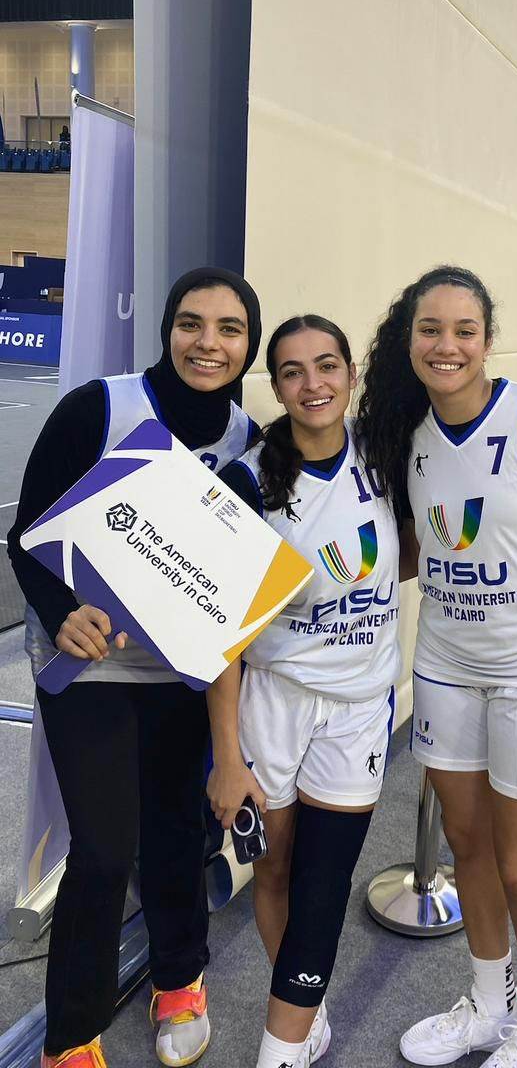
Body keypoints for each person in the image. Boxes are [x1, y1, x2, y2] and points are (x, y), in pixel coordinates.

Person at [7, 267, 261, 1068]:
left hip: (182, 674)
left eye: (229, 329)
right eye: (191, 323)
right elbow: (25, 535)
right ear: (167, 328)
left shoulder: (248, 441)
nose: (208, 343)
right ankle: (71, 1033)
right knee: (106, 849)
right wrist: (61, 612)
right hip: (91, 666)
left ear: (249, 344)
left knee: (177, 831)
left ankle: (180, 978)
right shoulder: (101, 407)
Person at [355, 266, 517, 1068]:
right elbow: (407, 552)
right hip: (446, 665)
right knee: (468, 847)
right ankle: (491, 1003)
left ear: (488, 339)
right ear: (409, 338)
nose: (447, 345)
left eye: (464, 330)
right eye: (431, 330)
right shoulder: (404, 435)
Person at [207, 315, 404, 1068]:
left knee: (323, 887)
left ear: (351, 373)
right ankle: (304, 1016)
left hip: (357, 708)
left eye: (327, 366)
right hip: (271, 702)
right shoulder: (248, 481)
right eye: (292, 371)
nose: (313, 384)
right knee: (275, 868)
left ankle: (279, 1050)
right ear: (276, 385)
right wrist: (227, 758)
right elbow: (219, 633)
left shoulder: (385, 456)